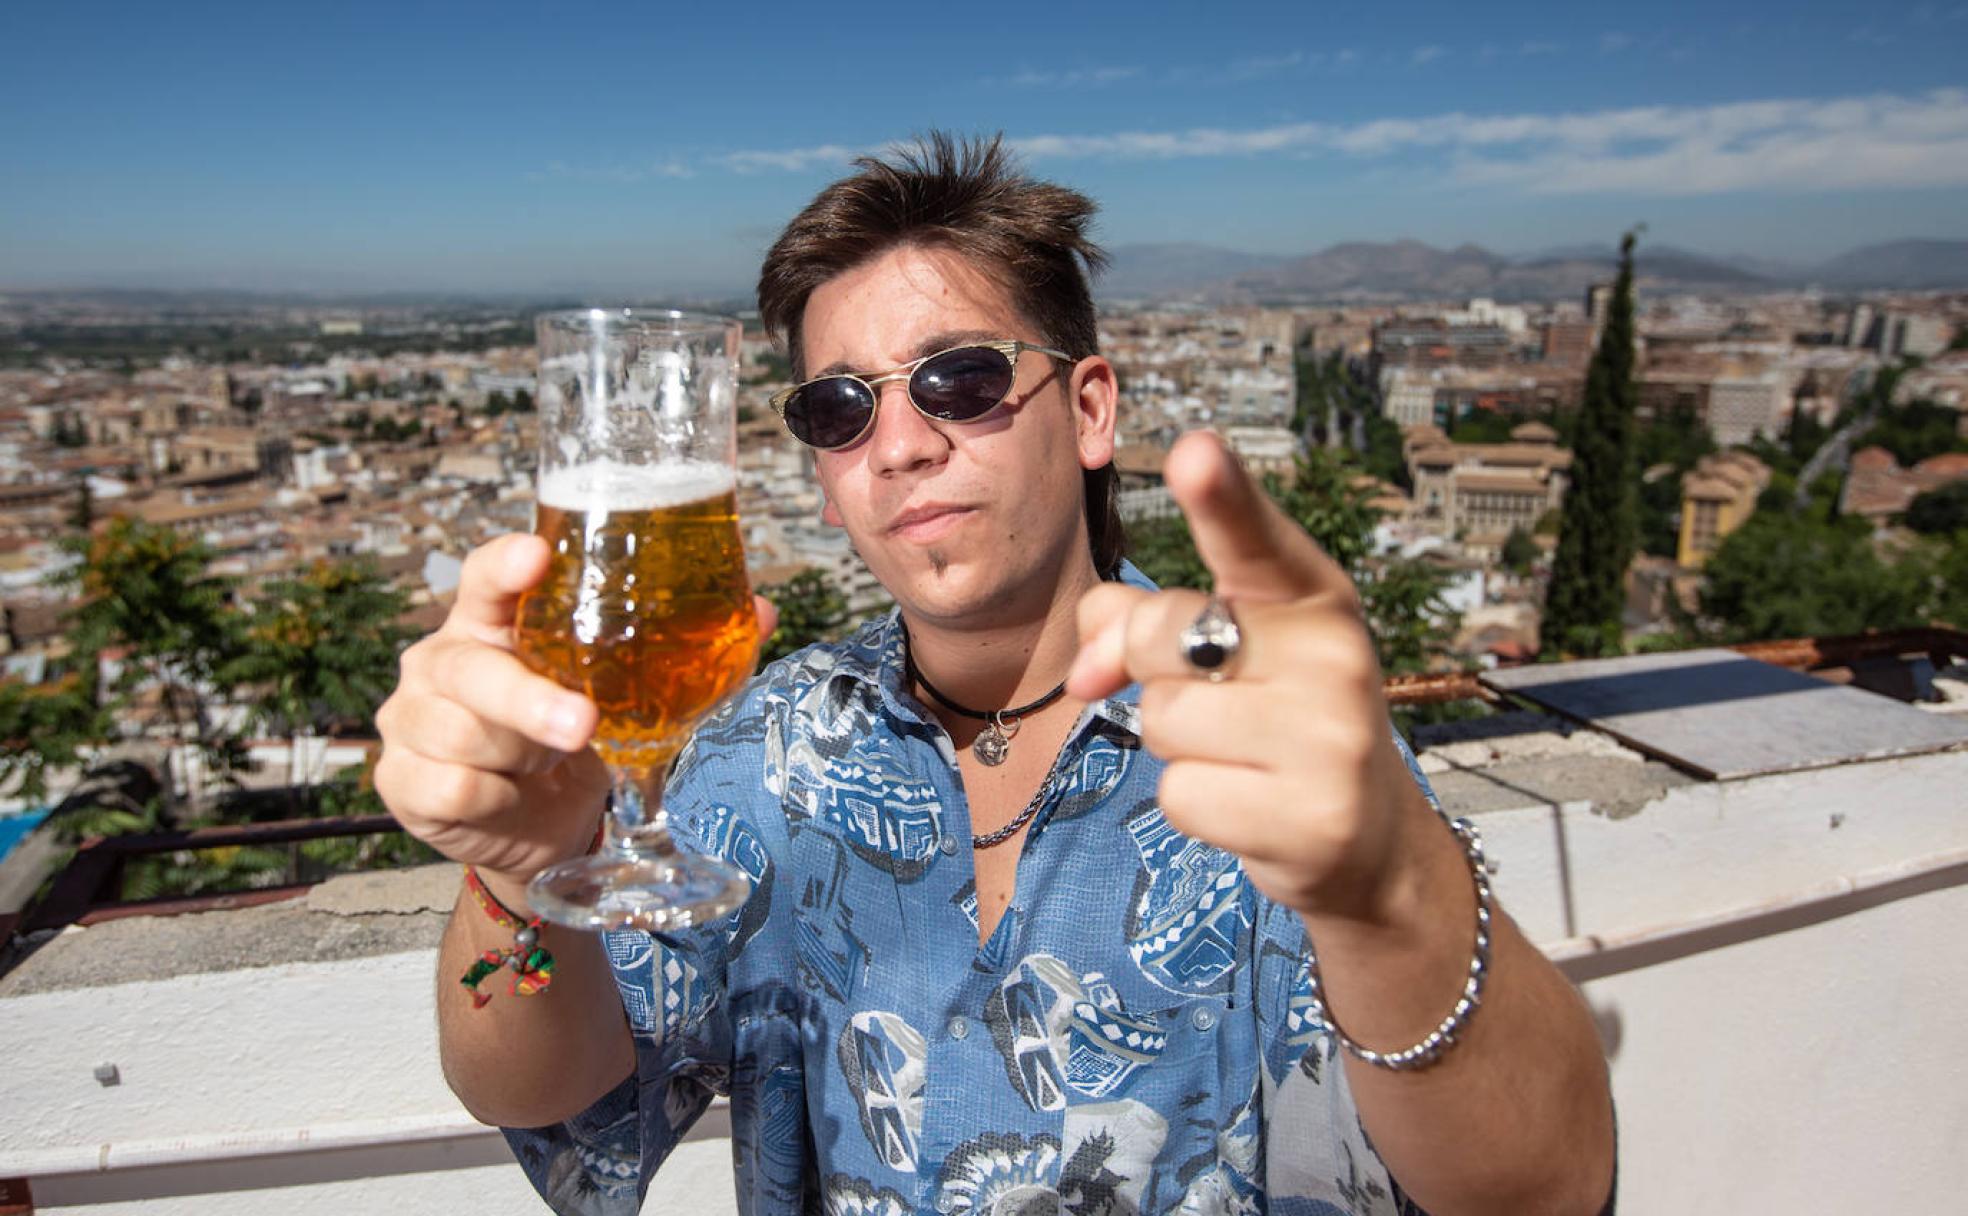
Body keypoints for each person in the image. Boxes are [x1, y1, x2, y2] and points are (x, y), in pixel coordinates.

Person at [376, 133, 1616, 1215]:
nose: (902, 444)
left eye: (959, 379)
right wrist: (521, 875)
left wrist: (1392, 892)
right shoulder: (766, 750)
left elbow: (1546, 1189)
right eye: (839, 409)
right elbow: (547, 1092)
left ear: (1087, 412)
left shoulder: (1256, 729)